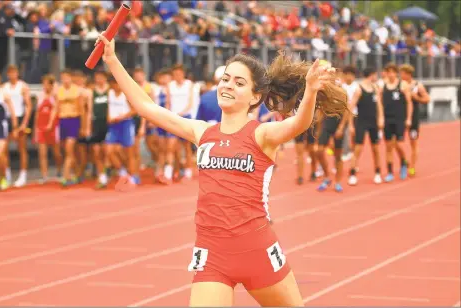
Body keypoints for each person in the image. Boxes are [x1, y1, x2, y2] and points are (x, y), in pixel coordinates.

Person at [95, 33, 347, 306]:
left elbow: (298, 124)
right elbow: (146, 106)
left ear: (255, 97)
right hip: (212, 254)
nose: (228, 85)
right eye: (225, 79)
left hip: (257, 250)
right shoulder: (201, 132)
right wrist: (112, 60)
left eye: (239, 83)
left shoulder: (262, 135)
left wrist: (310, 90)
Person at [347, 67, 384, 185]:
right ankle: (352, 173)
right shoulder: (359, 89)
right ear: (371, 75)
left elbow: (379, 105)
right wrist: (351, 125)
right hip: (361, 122)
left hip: (373, 122)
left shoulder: (375, 88)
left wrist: (381, 119)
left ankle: (377, 173)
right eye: (375, 75)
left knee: (376, 149)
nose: (377, 77)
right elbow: (351, 107)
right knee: (358, 148)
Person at [380, 63, 413, 182]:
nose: (391, 74)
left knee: (398, 144)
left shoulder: (403, 85)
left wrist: (409, 118)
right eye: (388, 72)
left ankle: (404, 162)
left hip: (399, 119)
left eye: (393, 72)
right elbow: (379, 102)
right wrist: (380, 117)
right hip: (387, 118)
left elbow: (409, 102)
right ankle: (390, 172)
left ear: (396, 73)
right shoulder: (382, 85)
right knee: (388, 146)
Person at [2, 64, 32, 187]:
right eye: (10, 73)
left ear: (17, 73)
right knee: (4, 148)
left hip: (19, 118)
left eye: (14, 72)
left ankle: (23, 175)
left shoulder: (23, 86)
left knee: (22, 148)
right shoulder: (4, 87)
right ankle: (7, 174)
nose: (12, 75)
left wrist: (24, 123)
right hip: (7, 118)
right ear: (7, 74)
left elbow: (29, 106)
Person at [398, 64, 430, 177]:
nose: (400, 75)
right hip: (400, 117)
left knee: (413, 142)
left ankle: (412, 166)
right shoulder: (399, 85)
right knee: (396, 143)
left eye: (402, 73)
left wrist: (416, 97)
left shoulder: (417, 85)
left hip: (414, 118)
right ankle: (405, 160)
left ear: (408, 74)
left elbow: (427, 99)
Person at [33, 74, 62, 183]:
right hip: (41, 127)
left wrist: (50, 124)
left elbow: (55, 110)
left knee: (56, 153)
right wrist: (36, 128)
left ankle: (59, 170)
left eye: (47, 84)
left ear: (51, 85)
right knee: (42, 153)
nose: (45, 86)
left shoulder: (55, 96)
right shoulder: (39, 96)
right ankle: (44, 175)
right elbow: (37, 112)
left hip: (53, 127)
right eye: (43, 84)